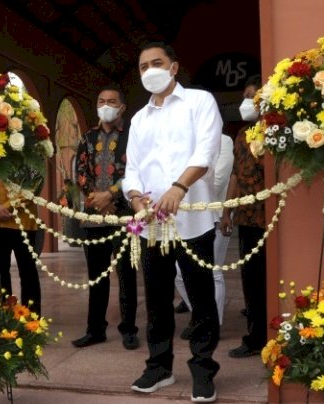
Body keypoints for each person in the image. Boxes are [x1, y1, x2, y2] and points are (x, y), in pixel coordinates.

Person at [123, 42, 222, 402]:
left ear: (174, 67)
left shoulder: (199, 102)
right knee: (157, 299)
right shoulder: (138, 118)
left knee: (200, 297)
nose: (150, 70)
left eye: (157, 63)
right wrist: (135, 196)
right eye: (143, 66)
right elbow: (131, 168)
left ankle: (203, 369)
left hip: (193, 220)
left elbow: (206, 150)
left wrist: (179, 187)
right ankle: (159, 367)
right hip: (151, 224)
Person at [71, 84, 139, 350]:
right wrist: (98, 203)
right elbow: (81, 173)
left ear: (122, 107)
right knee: (96, 275)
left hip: (125, 216)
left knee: (126, 274)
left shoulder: (133, 136)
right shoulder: (87, 138)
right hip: (93, 218)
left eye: (112, 101)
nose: (106, 105)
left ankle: (129, 328)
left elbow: (136, 170)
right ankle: (95, 329)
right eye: (102, 101)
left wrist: (111, 196)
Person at [220, 75, 268, 359]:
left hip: (272, 218)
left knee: (272, 280)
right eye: (245, 96)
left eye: (254, 96)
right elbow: (236, 174)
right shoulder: (241, 135)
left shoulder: (278, 132)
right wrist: (227, 211)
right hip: (248, 219)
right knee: (251, 280)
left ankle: (276, 336)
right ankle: (255, 337)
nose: (247, 101)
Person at [175, 132, 234, 338]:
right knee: (180, 274)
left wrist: (179, 193)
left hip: (214, 213)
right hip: (183, 215)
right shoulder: (186, 139)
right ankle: (202, 316)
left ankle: (212, 325)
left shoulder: (224, 141)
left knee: (213, 271)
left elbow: (218, 180)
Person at [0, 179, 42, 314]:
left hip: (22, 220)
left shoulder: (29, 157)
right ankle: (4, 319)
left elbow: (33, 182)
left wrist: (6, 206)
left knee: (28, 273)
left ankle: (31, 320)